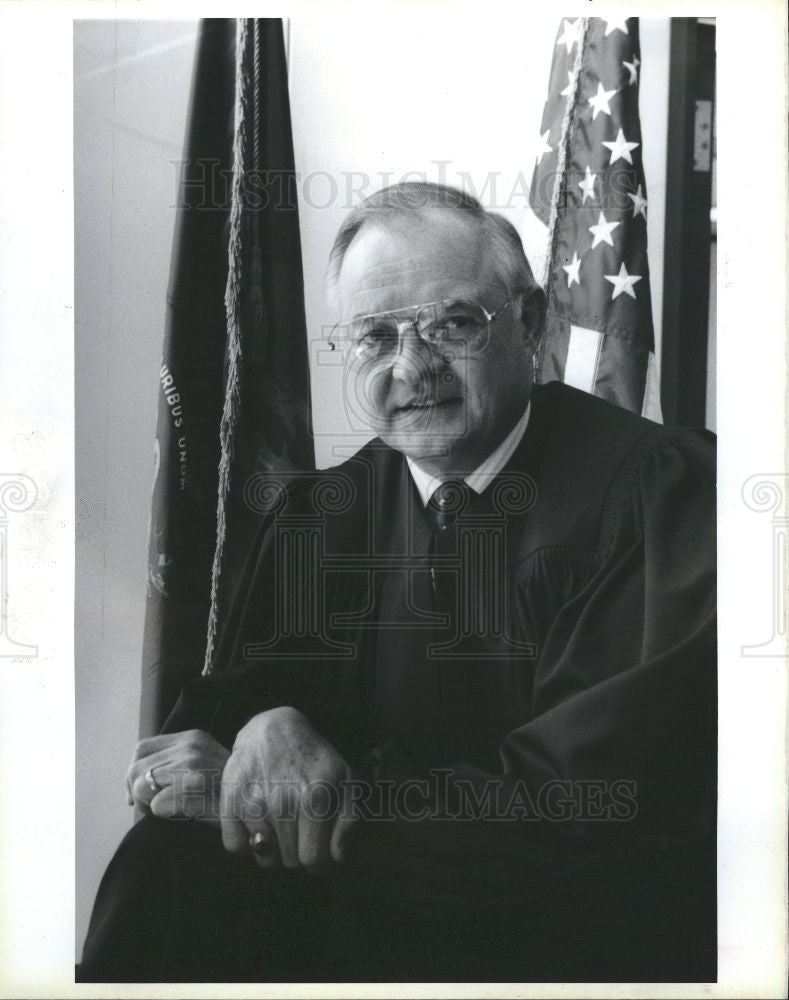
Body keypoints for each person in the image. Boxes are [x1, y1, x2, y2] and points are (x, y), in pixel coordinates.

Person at [78, 183, 716, 983]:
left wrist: (342, 808)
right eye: (375, 337)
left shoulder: (658, 495)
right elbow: (223, 725)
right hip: (369, 892)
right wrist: (261, 727)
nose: (412, 368)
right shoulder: (325, 514)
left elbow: (583, 802)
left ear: (528, 322)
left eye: (452, 324)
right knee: (169, 861)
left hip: (567, 930)